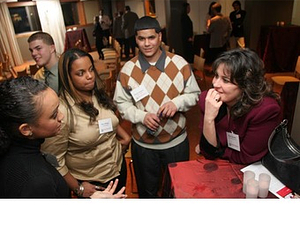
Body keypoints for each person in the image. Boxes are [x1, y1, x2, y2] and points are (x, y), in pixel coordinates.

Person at [114, 16, 201, 198]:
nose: (146, 43)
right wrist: (140, 116)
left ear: (160, 37)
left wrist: (176, 103)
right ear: (135, 40)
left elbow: (195, 94)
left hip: (176, 143)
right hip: (143, 146)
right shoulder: (127, 70)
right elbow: (121, 103)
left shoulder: (179, 64)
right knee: (147, 193)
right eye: (141, 39)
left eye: (151, 38)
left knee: (178, 191)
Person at [0, 76, 126, 199]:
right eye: (54, 115)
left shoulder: (12, 149)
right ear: (26, 129)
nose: (61, 117)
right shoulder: (36, 182)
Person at [41, 48, 130, 198]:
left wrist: (125, 136)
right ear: (68, 77)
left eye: (91, 70)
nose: (90, 76)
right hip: (94, 181)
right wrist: (78, 187)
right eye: (80, 73)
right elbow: (55, 160)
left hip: (117, 168)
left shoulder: (96, 94)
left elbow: (107, 119)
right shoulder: (62, 111)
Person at [195, 49, 281, 165]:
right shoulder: (208, 100)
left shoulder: (265, 110)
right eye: (216, 76)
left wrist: (217, 150)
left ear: (245, 84)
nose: (215, 84)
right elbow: (208, 153)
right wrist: (209, 118)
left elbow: (245, 157)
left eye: (225, 80)